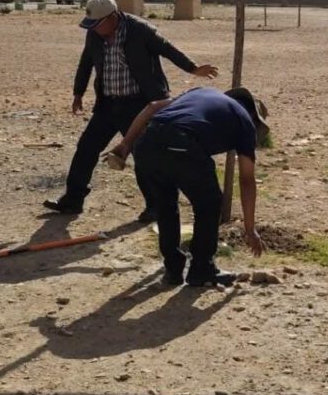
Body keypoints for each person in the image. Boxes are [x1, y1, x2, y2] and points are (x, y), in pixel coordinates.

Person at [43, 0, 218, 218]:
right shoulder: (94, 35)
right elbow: (86, 62)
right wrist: (78, 92)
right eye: (91, 26)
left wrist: (192, 68)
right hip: (107, 104)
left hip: (139, 104)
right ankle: (72, 200)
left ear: (113, 17)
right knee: (86, 148)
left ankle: (155, 206)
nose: (94, 29)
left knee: (144, 154)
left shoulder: (140, 30)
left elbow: (168, 49)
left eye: (97, 24)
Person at [106, 87, 269, 287]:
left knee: (166, 206)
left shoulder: (201, 94)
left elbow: (152, 107)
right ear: (253, 115)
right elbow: (246, 179)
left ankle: (173, 270)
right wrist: (250, 229)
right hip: (181, 142)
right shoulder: (244, 120)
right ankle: (202, 269)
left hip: (147, 144)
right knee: (209, 203)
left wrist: (125, 144)